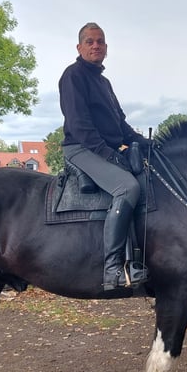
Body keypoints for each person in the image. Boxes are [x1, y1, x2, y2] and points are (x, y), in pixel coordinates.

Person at [59, 22, 151, 290]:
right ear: (79, 47)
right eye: (90, 41)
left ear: (106, 48)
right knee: (128, 187)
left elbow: (120, 125)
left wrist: (146, 143)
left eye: (100, 41)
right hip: (81, 148)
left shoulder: (104, 82)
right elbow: (79, 126)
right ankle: (112, 268)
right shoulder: (73, 76)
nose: (95, 45)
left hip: (103, 149)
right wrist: (111, 156)